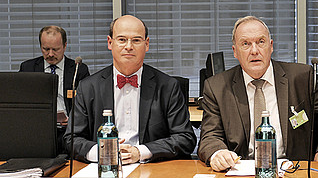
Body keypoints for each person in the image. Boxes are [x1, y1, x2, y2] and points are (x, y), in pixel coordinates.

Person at [198, 16, 318, 172]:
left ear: (271, 46)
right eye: (245, 44)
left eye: (261, 42)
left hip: (293, 171)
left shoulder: (300, 78)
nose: (254, 51)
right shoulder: (217, 87)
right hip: (240, 172)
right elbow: (210, 136)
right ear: (235, 51)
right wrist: (218, 153)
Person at [64, 15, 196, 164]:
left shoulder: (168, 86)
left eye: (136, 40)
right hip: (103, 170)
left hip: (152, 170)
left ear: (146, 44)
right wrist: (104, 153)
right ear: (110, 42)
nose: (128, 46)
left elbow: (185, 138)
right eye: (121, 40)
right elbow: (71, 139)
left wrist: (140, 152)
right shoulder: (88, 87)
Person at [20, 26, 90, 154]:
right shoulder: (28, 68)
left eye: (55, 49)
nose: (50, 54)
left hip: (68, 132)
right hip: (39, 133)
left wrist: (74, 120)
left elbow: (87, 104)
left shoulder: (78, 70)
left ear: (65, 45)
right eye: (46, 49)